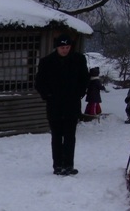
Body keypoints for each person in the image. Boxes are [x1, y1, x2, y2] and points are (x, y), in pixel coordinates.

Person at [35, 33, 90, 176]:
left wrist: (79, 93)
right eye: (62, 47)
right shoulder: (47, 62)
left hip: (72, 105)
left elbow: (84, 79)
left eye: (67, 47)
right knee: (57, 136)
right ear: (57, 47)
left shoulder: (78, 59)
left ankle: (69, 165)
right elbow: (39, 83)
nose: (65, 50)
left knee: (70, 136)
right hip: (54, 106)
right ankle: (58, 165)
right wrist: (48, 96)